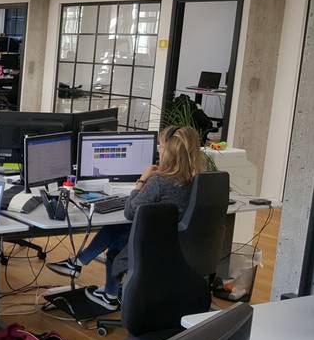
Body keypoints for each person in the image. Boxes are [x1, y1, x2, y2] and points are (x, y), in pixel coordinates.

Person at [46, 125, 206, 311]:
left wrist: (142, 180)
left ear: (170, 151)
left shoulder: (159, 181)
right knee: (120, 228)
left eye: (161, 146)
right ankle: (80, 264)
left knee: (120, 235)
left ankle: (108, 293)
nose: (158, 151)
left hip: (151, 247)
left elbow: (130, 211)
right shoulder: (199, 181)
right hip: (175, 243)